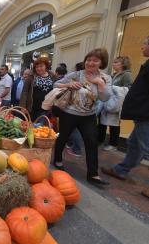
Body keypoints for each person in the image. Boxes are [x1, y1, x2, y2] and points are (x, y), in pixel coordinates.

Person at [53, 48, 112, 186]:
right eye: (89, 60)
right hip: (69, 113)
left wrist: (100, 83)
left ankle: (93, 174)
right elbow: (56, 84)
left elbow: (105, 98)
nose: (91, 63)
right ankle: (57, 160)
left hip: (89, 116)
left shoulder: (105, 78)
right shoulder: (76, 74)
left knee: (91, 142)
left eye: (95, 60)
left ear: (101, 63)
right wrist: (68, 84)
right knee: (63, 138)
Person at [102, 37, 149, 198]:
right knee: (134, 144)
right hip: (141, 114)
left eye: (145, 43)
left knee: (147, 147)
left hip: (146, 114)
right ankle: (121, 170)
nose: (142, 46)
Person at [98, 56, 133, 151]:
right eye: (113, 62)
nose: (113, 64)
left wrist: (113, 88)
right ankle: (100, 140)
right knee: (103, 122)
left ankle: (113, 144)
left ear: (123, 64)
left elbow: (129, 89)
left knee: (114, 124)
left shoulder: (126, 75)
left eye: (116, 62)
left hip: (116, 103)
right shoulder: (114, 74)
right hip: (108, 101)